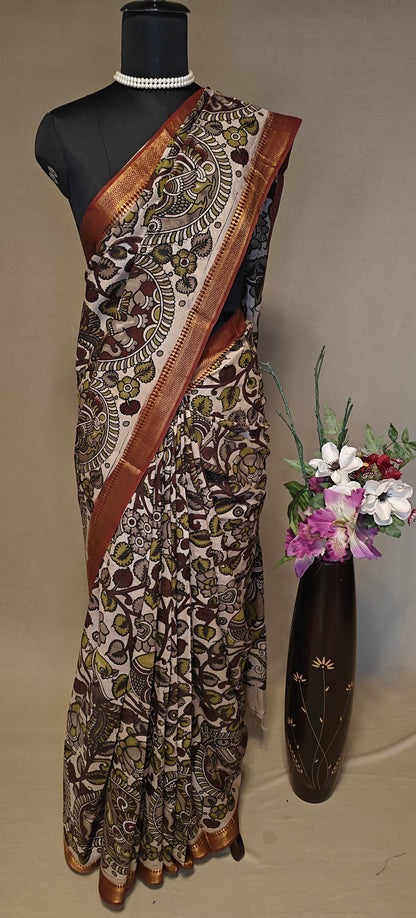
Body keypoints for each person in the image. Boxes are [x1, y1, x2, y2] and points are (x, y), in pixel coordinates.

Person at [36, 0, 301, 906]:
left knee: (213, 618)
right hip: (120, 424)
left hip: (222, 419)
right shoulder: (65, 131)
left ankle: (199, 810)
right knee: (125, 627)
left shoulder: (245, 135)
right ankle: (120, 821)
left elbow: (244, 294)